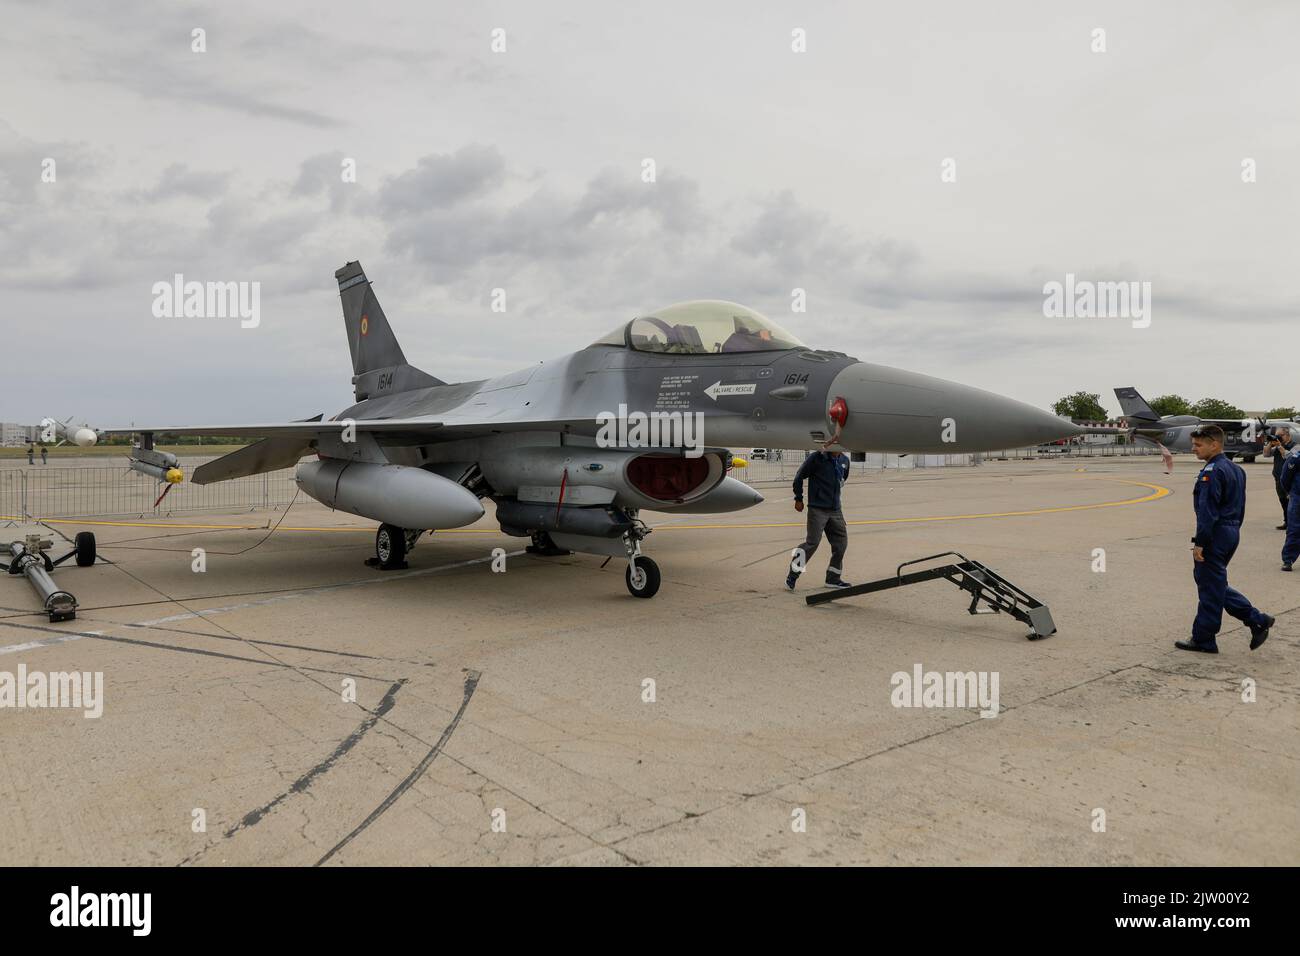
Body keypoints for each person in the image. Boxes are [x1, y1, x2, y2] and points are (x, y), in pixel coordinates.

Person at [1176, 425, 1274, 653]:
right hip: (1231, 532)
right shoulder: (1236, 469)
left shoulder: (1212, 472)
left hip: (1215, 533)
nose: (1194, 449)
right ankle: (1257, 619)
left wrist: (1200, 542)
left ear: (1215, 444)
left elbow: (1207, 511)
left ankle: (1204, 638)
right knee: (1215, 583)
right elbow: (1240, 507)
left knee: (1210, 586)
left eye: (1198, 445)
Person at [785, 448, 852, 590]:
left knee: (841, 544)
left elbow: (841, 480)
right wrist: (798, 498)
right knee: (812, 543)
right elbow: (799, 476)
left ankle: (833, 579)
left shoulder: (844, 461)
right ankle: (793, 574)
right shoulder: (816, 458)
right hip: (817, 509)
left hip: (835, 510)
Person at [1266, 427, 1295, 529]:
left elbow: (1289, 456)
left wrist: (1279, 446)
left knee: (1292, 502)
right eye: (1277, 435)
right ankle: (1287, 522)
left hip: (1291, 480)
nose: (1278, 437)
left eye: (1280, 435)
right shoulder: (1278, 447)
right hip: (1279, 479)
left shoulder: (1295, 446)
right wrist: (1270, 443)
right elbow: (1266, 454)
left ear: (1288, 435)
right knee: (1283, 502)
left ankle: (1293, 522)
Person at [1279, 441, 1300, 571]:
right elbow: (1285, 478)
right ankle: (1288, 560)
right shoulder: (1296, 457)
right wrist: (1291, 493)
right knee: (1294, 529)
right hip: (1297, 497)